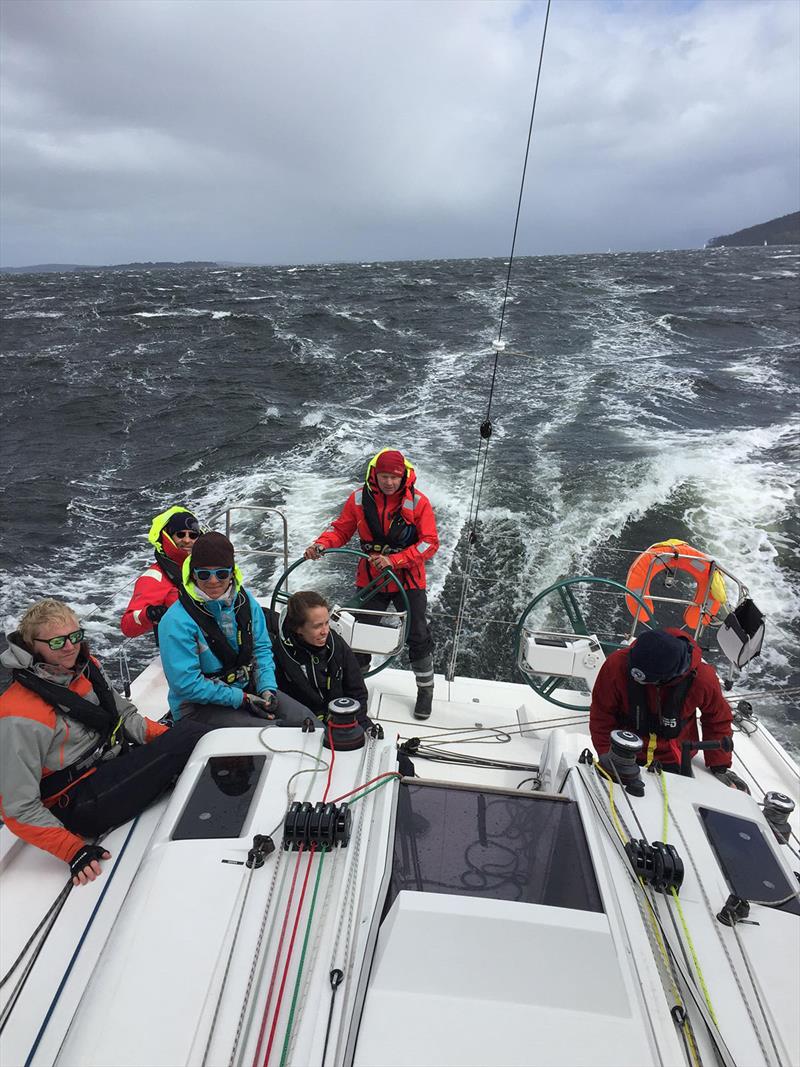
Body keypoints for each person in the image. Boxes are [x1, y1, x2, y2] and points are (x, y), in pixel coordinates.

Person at [0, 599, 211, 886]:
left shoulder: (87, 668)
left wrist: (166, 739)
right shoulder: (18, 714)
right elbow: (17, 807)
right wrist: (73, 850)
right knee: (193, 735)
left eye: (75, 636)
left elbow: (124, 715)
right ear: (32, 645)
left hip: (111, 765)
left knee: (187, 735)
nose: (70, 647)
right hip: (80, 803)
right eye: (57, 641)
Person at [304, 449, 439, 720]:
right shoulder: (357, 499)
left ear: (404, 478)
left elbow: (429, 543)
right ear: (375, 475)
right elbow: (341, 529)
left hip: (408, 578)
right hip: (372, 578)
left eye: (394, 477)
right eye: (384, 476)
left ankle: (426, 691)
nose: (389, 482)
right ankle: (355, 690)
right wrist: (321, 544)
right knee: (359, 634)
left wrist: (396, 560)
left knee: (418, 635)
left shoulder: (419, 502)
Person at [158, 531, 310, 727]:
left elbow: (261, 650)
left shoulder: (247, 604)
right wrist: (242, 699)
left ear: (231, 573)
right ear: (193, 575)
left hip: (246, 690)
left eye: (221, 573)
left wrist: (267, 688)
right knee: (271, 732)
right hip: (197, 706)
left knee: (305, 720)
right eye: (204, 574)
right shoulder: (176, 621)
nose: (213, 581)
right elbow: (186, 684)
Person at [590, 627, 749, 790]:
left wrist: (719, 766)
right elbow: (601, 713)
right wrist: (606, 753)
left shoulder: (703, 679)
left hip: (675, 756)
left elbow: (717, 719)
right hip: (623, 753)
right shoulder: (616, 665)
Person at [266, 591, 370, 727]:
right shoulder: (279, 655)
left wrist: (352, 723)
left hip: (342, 719)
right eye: (317, 626)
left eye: (327, 623)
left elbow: (357, 691)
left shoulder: (336, 644)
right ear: (298, 628)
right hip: (302, 724)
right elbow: (281, 702)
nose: (325, 631)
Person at [121, 506, 202, 638]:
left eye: (193, 535)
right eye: (180, 534)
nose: (187, 540)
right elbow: (127, 626)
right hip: (181, 646)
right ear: (168, 536)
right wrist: (149, 614)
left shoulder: (206, 566)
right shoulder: (155, 577)